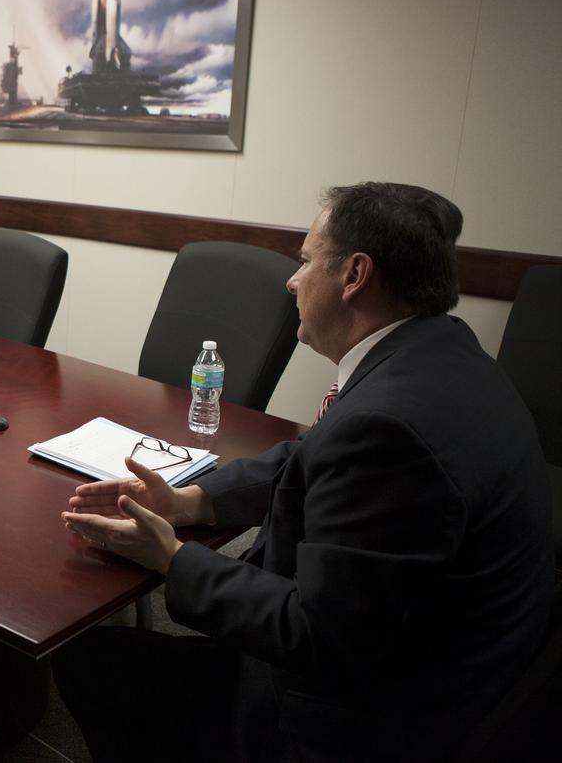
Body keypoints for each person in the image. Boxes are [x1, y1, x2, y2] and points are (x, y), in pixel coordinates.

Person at [54, 182, 553, 763]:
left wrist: (172, 557)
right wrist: (192, 502)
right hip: (446, 652)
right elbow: (311, 455)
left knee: (92, 664)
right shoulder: (441, 351)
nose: (292, 281)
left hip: (368, 719)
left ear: (354, 275)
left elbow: (318, 637)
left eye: (307, 261)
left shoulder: (390, 427)